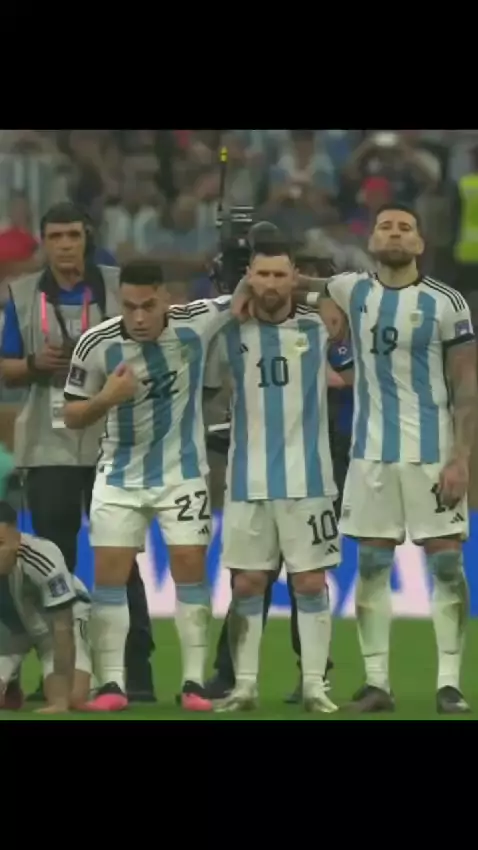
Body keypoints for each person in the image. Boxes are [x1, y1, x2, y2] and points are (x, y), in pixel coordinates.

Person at [308, 203, 477, 714]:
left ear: (420, 244)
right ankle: (377, 683)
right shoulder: (351, 288)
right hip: (370, 457)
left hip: (432, 455)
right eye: (387, 226)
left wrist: (461, 458)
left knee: (446, 564)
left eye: (406, 228)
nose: (396, 234)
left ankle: (449, 683)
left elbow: (467, 385)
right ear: (372, 241)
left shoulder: (447, 302)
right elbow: (297, 285)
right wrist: (311, 297)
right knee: (373, 563)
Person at [63, 259, 238, 712]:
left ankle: (193, 682)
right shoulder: (96, 343)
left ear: (165, 298)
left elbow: (246, 295)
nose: (138, 317)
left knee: (190, 567)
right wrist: (106, 398)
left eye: (147, 305)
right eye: (129, 307)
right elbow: (71, 415)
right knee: (110, 575)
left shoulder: (195, 320)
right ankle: (112, 684)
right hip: (119, 476)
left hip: (182, 474)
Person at [0, 202, 156, 702]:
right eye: (56, 236)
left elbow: (151, 342)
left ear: (87, 236)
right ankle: (57, 679)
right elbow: (4, 367)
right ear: (44, 241)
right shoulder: (22, 293)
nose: (65, 245)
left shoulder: (117, 285)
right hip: (48, 446)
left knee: (121, 561)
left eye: (73, 234)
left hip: (115, 441)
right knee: (52, 564)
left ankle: (136, 674)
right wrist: (33, 363)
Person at [208, 240, 347, 713]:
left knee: (309, 583)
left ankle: (314, 686)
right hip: (247, 482)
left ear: (293, 277)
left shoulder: (317, 326)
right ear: (249, 276)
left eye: (280, 275)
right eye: (262, 275)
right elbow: (188, 324)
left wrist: (313, 291)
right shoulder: (232, 328)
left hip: (310, 481)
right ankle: (244, 686)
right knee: (247, 583)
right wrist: (235, 294)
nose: (270, 284)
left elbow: (361, 299)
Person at [0, 501, 91, 714]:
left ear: (16, 538)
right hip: (12, 632)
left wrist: (60, 701)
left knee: (73, 698)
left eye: (0, 543)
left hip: (54, 627)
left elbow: (62, 627)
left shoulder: (44, 558)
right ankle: (11, 683)